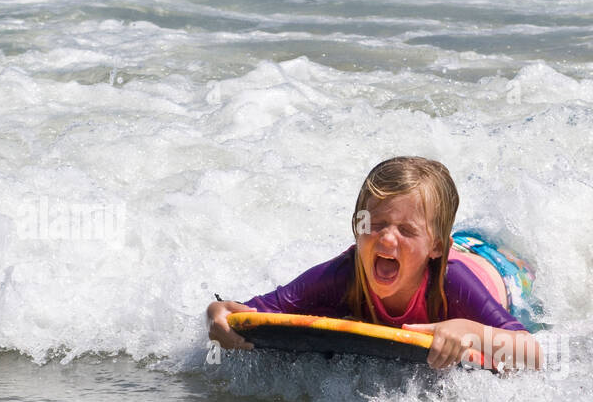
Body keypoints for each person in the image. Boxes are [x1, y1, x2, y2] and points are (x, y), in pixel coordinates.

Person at [207, 156, 541, 370]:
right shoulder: (343, 274)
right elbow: (248, 312)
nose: (386, 239)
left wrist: (468, 330)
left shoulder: (453, 284)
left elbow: (532, 352)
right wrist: (216, 316)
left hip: (499, 271)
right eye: (375, 224)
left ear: (436, 248)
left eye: (405, 230)